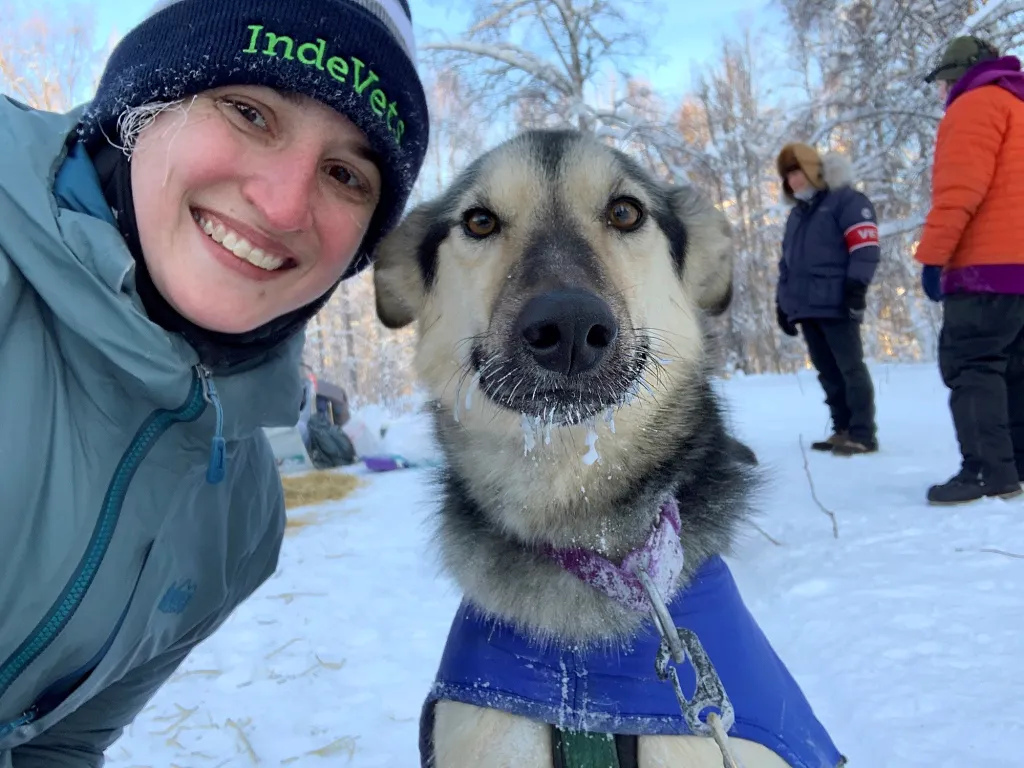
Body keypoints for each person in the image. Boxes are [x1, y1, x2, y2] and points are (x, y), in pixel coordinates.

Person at [0, 0, 427, 762]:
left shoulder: (241, 524)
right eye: (249, 112)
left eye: (344, 173)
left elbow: (57, 744)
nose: (284, 203)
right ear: (143, 106)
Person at [915, 36, 1024, 505]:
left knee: (973, 364)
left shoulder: (974, 105)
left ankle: (986, 470)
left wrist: (933, 257)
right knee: (1014, 368)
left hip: (985, 267)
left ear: (958, 76)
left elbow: (960, 192)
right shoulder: (1017, 106)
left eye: (942, 83)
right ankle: (1015, 463)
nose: (942, 94)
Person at [774, 142, 881, 456]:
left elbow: (865, 248)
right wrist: (782, 303)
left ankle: (863, 433)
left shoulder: (847, 201)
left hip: (838, 302)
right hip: (807, 308)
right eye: (787, 175)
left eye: (797, 172)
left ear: (813, 169)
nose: (793, 180)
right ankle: (842, 429)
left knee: (850, 368)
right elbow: (787, 264)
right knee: (827, 371)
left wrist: (856, 288)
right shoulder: (798, 215)